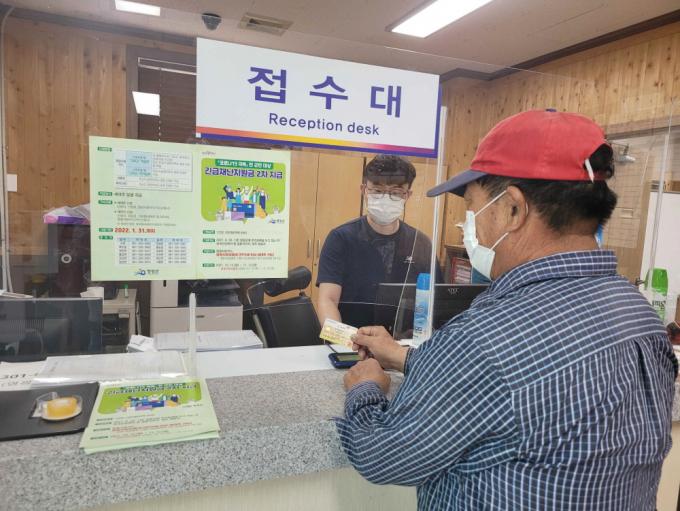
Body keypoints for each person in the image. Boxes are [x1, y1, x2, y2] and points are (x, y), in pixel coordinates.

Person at [336, 110, 678, 510]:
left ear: (514, 209)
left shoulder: (486, 338)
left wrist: (365, 388)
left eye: (473, 208)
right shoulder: (639, 314)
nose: (471, 226)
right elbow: (521, 386)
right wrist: (404, 357)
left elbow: (383, 454)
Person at [316, 154, 439, 334]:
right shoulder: (341, 238)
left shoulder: (420, 244)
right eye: (377, 190)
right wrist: (346, 342)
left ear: (408, 195)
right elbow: (327, 301)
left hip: (403, 345)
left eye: (395, 193)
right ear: (364, 190)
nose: (385, 199)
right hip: (352, 342)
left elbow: (437, 303)